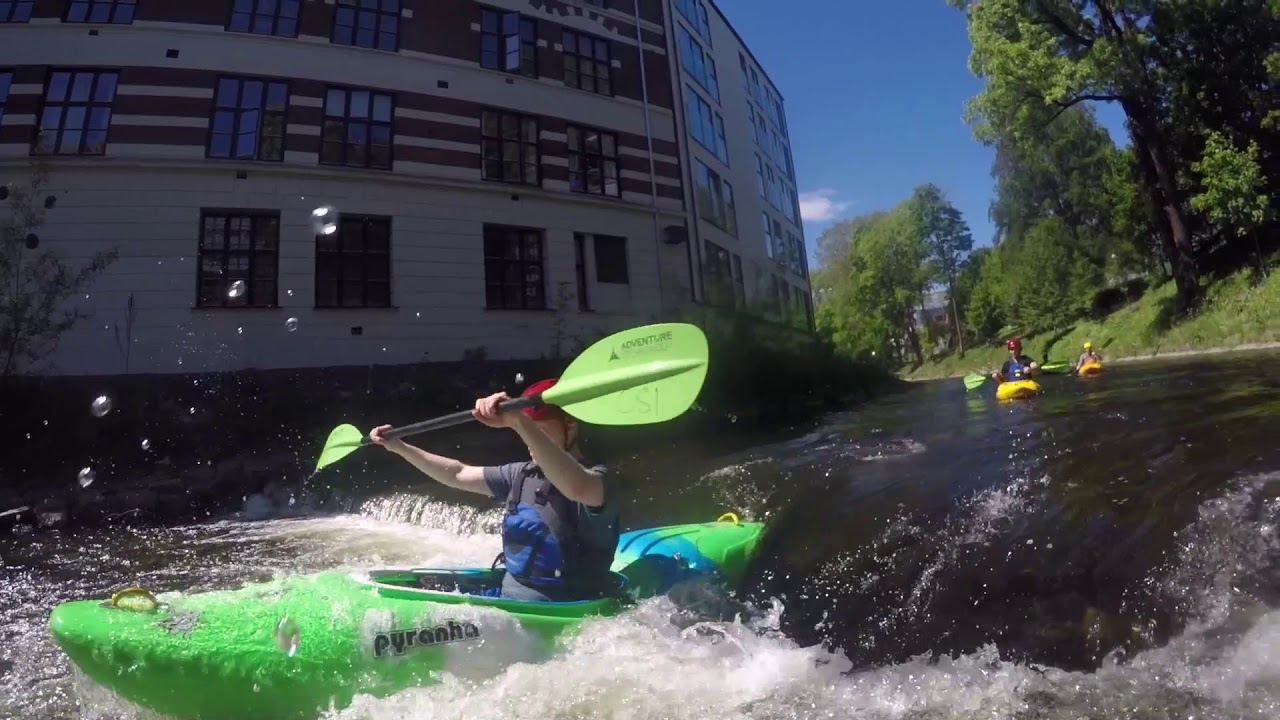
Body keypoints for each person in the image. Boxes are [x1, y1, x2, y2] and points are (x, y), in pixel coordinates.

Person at [368, 378, 619, 602]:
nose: (529, 440)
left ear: (571, 427)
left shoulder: (597, 479)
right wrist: (399, 447)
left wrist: (519, 422)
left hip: (561, 609)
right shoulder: (521, 474)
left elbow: (578, 488)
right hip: (507, 597)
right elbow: (457, 473)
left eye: (538, 431)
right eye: (527, 430)